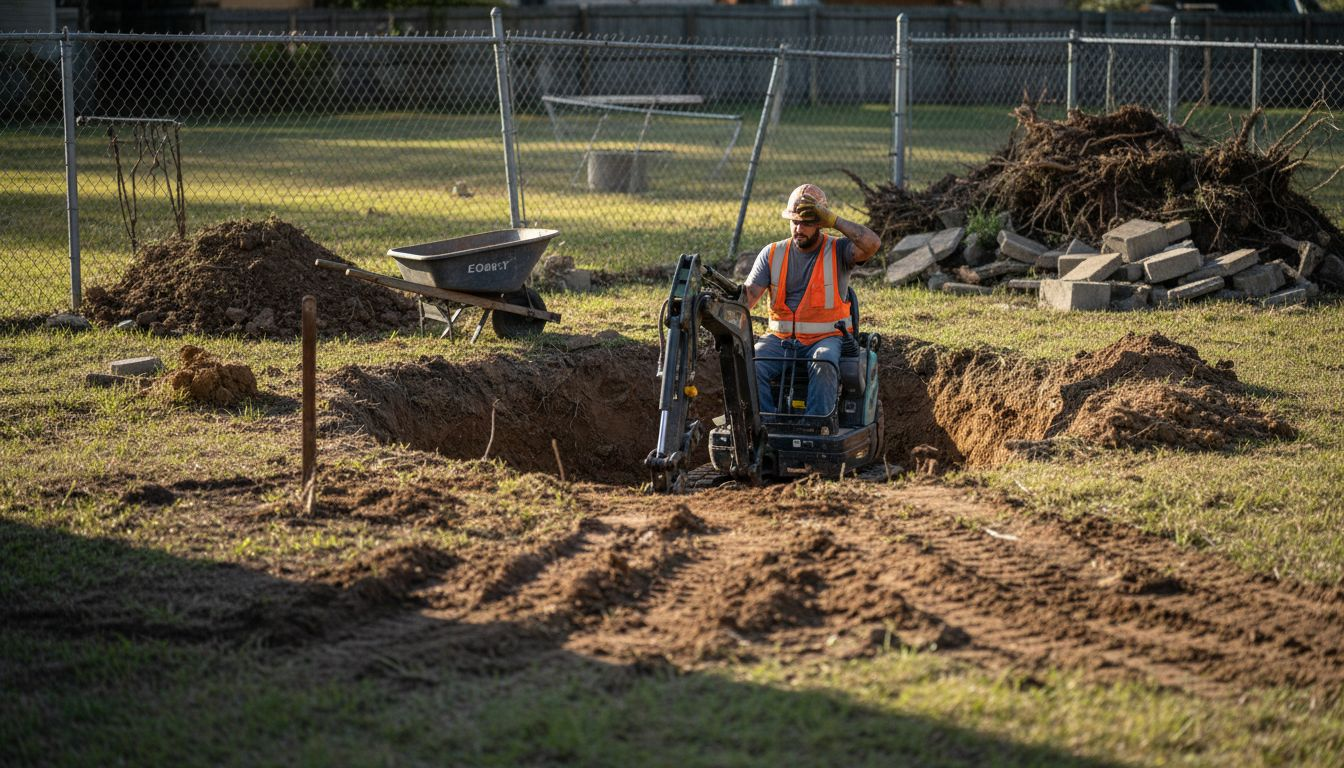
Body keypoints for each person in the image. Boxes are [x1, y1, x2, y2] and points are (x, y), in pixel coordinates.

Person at [742, 183, 880, 416]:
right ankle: (764, 426)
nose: (798, 228)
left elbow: (872, 244)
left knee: (823, 362)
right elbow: (747, 298)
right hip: (780, 341)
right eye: (794, 222)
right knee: (752, 364)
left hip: (826, 339)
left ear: (820, 223)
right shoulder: (772, 253)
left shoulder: (839, 251)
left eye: (806, 223)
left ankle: (818, 426)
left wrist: (835, 221)